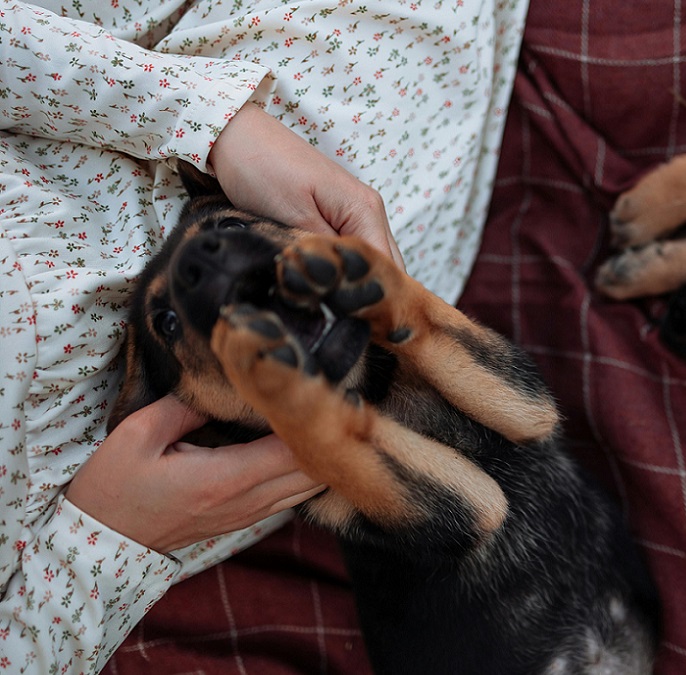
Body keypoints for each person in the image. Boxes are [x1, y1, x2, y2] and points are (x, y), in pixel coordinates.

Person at [0, 0, 527, 671]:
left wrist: (211, 120)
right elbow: (484, 499)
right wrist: (103, 544)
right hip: (176, 474)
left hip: (188, 140)